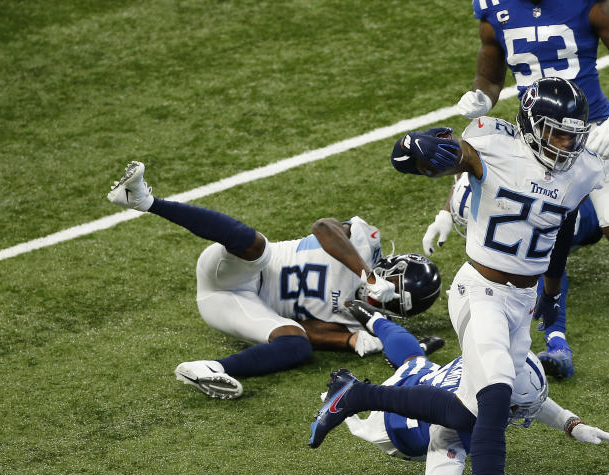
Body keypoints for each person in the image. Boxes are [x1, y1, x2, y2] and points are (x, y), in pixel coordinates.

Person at [385, 76, 605, 475]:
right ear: (531, 127)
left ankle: (354, 395)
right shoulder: (492, 142)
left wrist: (551, 288)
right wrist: (424, 149)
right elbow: (420, 156)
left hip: (522, 300)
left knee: (498, 400)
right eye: (558, 134)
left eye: (574, 134)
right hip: (480, 289)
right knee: (497, 392)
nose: (568, 145)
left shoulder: (584, 167)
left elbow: (562, 223)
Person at [106, 160, 442, 400]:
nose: (383, 301)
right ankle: (145, 201)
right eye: (391, 291)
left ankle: (207, 368)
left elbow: (309, 330)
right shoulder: (363, 245)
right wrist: (365, 274)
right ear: (390, 267)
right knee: (259, 248)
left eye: (394, 305)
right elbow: (323, 227)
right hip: (235, 268)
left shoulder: (363, 321)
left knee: (296, 344)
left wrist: (349, 341)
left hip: (232, 305)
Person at [456, 0, 609, 301]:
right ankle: (554, 329)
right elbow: (489, 76)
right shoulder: (493, 3)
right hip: (536, 137)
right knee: (539, 228)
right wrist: (482, 97)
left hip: (592, 129)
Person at [315, 301, 609, 475]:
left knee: (413, 361)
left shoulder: (492, 360)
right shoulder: (455, 424)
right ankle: (352, 389)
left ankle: (376, 319)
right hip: (393, 427)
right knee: (416, 368)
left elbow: (522, 398)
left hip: (426, 378)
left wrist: (571, 423)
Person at [422, 172, 603, 379]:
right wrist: (445, 212)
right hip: (529, 208)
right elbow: (464, 158)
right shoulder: (492, 159)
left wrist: (551, 295)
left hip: (573, 216)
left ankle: (558, 343)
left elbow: (550, 265)